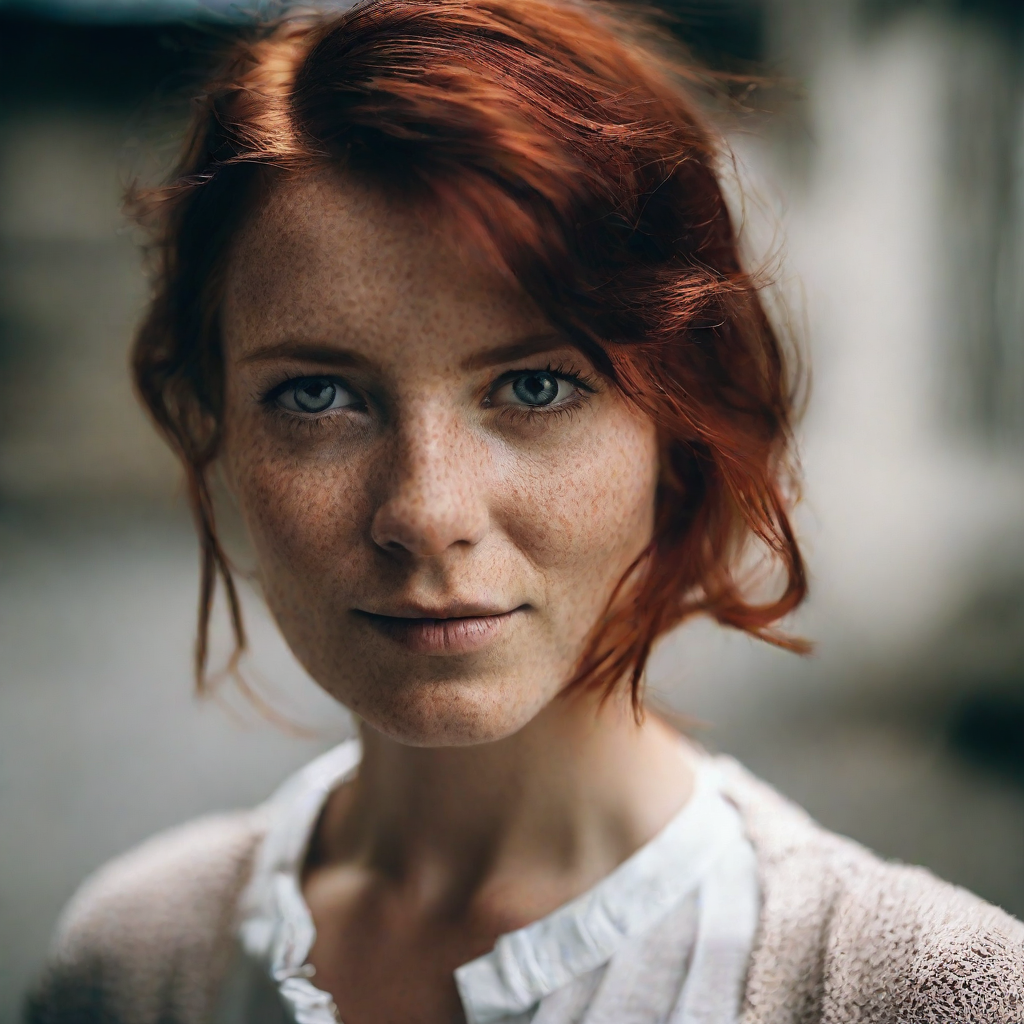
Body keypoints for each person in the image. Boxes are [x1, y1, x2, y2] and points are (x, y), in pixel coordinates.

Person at [27, 1, 1024, 1022]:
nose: (425, 509)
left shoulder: (924, 991)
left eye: (537, 386)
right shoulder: (134, 960)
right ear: (213, 424)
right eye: (318, 395)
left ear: (676, 423)